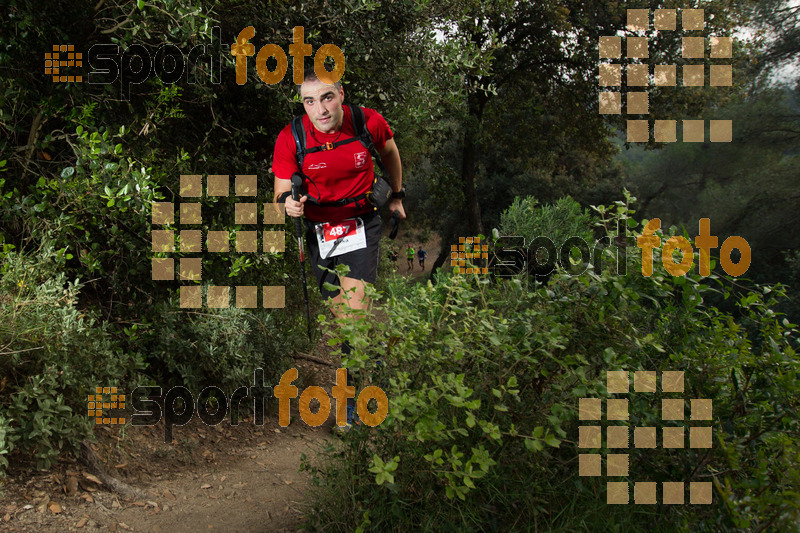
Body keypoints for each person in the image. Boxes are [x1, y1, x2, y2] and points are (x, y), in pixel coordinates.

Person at [272, 67, 406, 431]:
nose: (321, 109)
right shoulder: (292, 137)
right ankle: (374, 364)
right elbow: (279, 190)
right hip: (320, 233)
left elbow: (390, 152)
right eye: (310, 101)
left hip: (362, 225)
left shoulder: (367, 121)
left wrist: (396, 195)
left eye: (327, 97)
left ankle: (348, 410)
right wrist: (288, 204)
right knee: (346, 323)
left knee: (354, 320)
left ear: (341, 94)